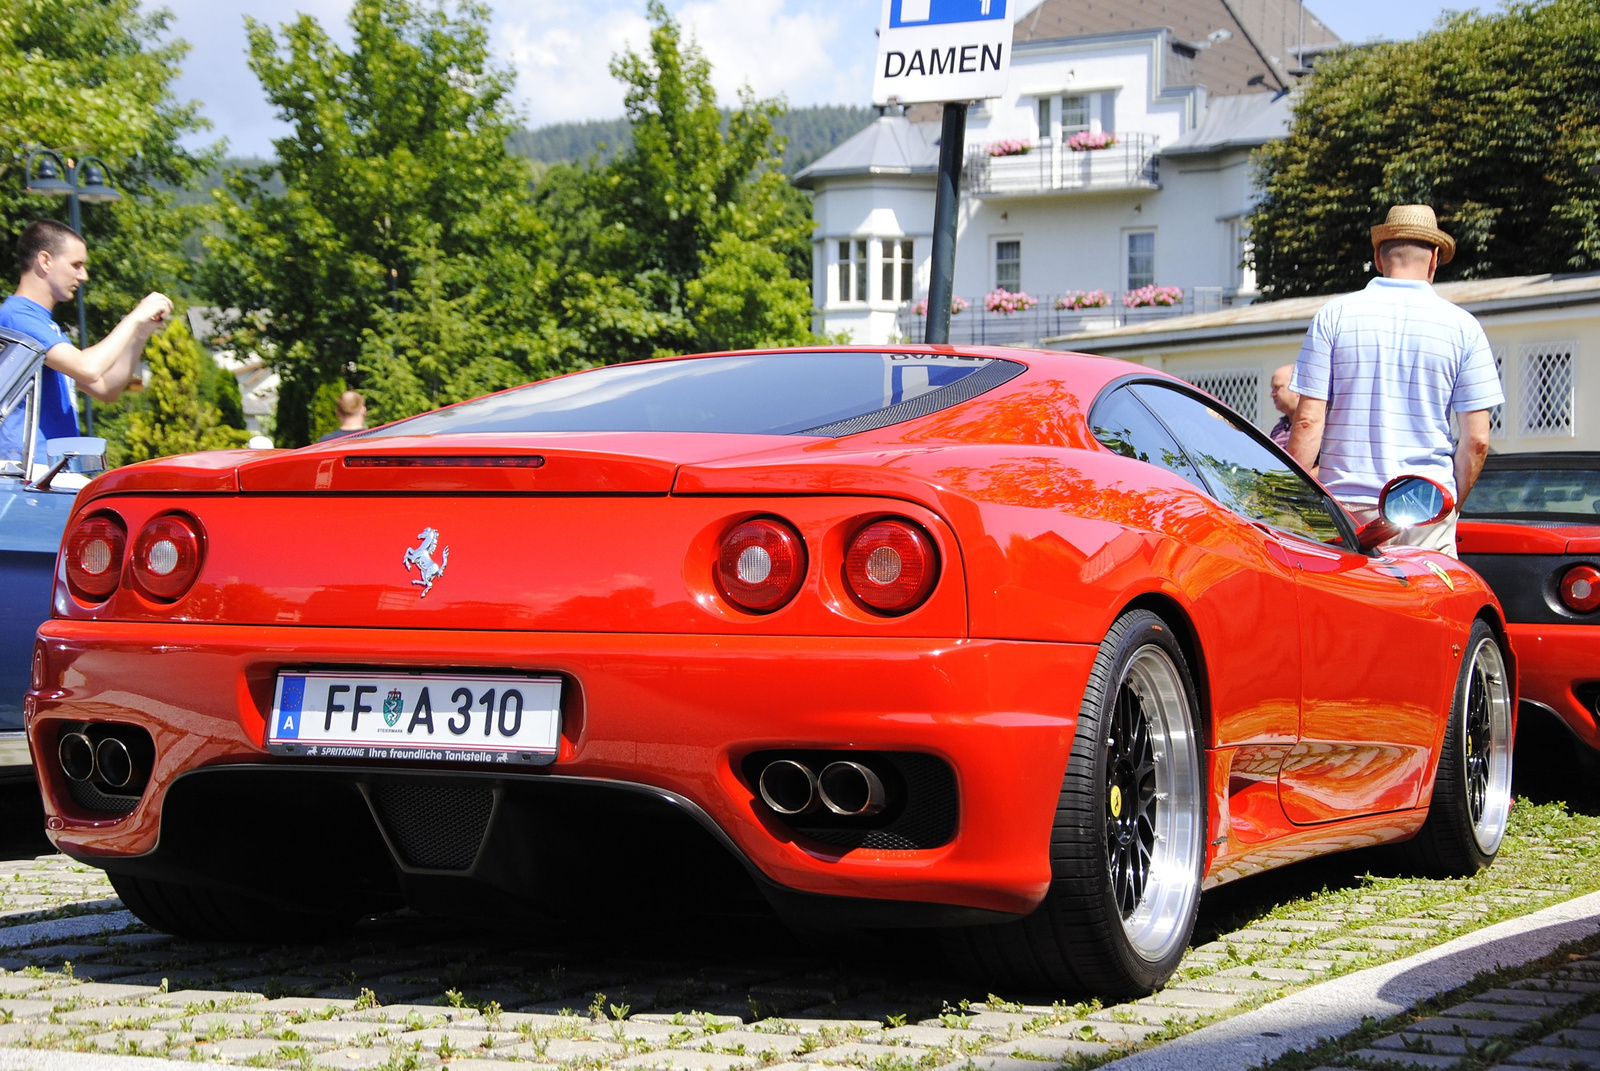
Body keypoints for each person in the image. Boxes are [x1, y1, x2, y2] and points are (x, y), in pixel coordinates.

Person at [1285, 204, 1502, 557]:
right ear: (1434, 259)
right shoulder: (1464, 327)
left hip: (1344, 507)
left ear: (1378, 256)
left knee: (1350, 608)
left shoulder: (1333, 316)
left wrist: (1294, 499)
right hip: (1426, 502)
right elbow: (1476, 440)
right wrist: (1445, 504)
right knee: (1431, 609)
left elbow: (1308, 420)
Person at [0, 220, 172, 463]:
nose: (83, 275)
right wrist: (134, 317)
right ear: (45, 261)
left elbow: (106, 389)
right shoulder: (18, 317)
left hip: (50, 472)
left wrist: (140, 333)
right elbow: (88, 368)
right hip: (27, 475)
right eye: (76, 265)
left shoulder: (45, 327)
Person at [1267, 364, 1297, 448]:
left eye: (1277, 387)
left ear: (1296, 387)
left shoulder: (1321, 426)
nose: (1272, 394)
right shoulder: (1278, 429)